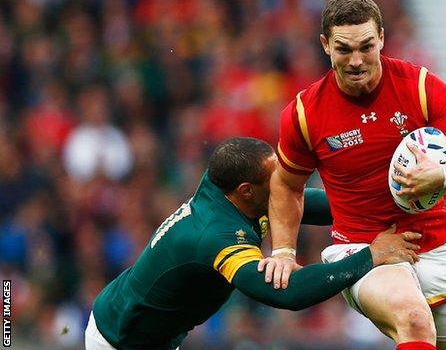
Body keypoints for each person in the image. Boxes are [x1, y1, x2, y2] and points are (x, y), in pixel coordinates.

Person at [266, 0, 446, 350]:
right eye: (343, 49)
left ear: (382, 39)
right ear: (326, 44)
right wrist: (283, 251)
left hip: (435, 246)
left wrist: (443, 177)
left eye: (366, 47)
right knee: (413, 318)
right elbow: (285, 184)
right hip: (360, 249)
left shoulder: (420, 87)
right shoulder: (304, 113)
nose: (356, 61)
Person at [84, 137, 421, 350]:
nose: (284, 185)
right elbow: (286, 293)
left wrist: (411, 198)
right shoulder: (215, 237)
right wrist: (371, 255)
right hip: (120, 340)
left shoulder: (228, 186)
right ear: (246, 190)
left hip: (147, 332)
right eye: (273, 181)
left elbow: (323, 205)